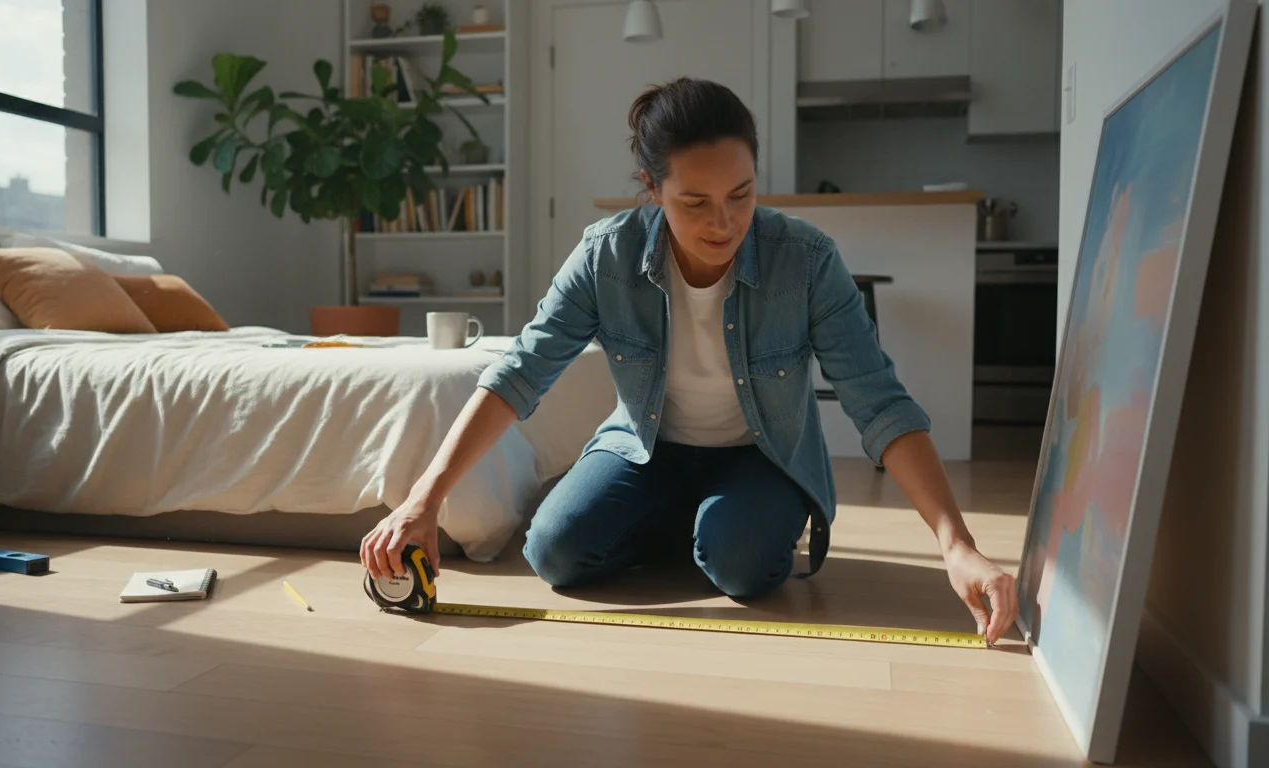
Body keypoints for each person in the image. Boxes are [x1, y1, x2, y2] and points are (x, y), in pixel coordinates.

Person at [362, 77, 1018, 644]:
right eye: (695, 203)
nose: (724, 222)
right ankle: (695, 521)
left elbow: (879, 401)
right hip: (644, 449)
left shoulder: (807, 260)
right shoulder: (606, 257)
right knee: (552, 554)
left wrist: (956, 546)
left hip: (760, 454)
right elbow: (520, 373)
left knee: (741, 568)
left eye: (742, 193)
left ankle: (719, 526)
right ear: (652, 188)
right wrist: (423, 501)